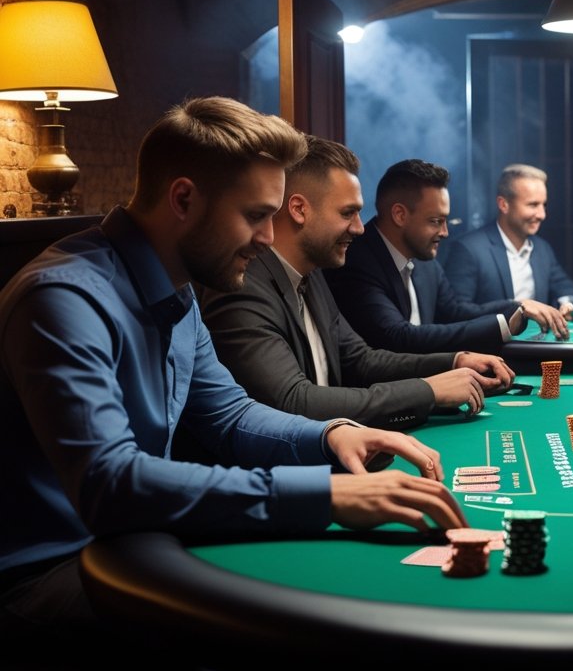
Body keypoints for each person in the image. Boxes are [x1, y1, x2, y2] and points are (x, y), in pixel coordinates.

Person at [0, 98, 465, 640]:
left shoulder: (178, 287)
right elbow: (112, 483)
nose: (269, 238)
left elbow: (229, 414)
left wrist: (333, 435)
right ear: (183, 199)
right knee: (303, 627)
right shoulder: (63, 298)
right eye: (255, 216)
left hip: (137, 540)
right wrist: (328, 496)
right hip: (45, 574)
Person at [200, 136, 513, 432]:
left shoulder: (313, 274)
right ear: (299, 209)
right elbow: (293, 400)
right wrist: (427, 391)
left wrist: (455, 361)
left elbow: (361, 360)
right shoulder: (242, 285)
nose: (360, 228)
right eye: (347, 213)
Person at [327, 159, 571, 355]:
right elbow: (399, 337)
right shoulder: (356, 259)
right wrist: (502, 325)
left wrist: (517, 307)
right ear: (400, 215)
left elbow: (454, 311)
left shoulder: (425, 261)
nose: (445, 232)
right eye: (436, 221)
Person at [445, 163, 573, 336]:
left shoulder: (542, 249)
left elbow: (570, 290)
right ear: (503, 205)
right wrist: (517, 307)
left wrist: (567, 305)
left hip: (537, 349)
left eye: (544, 205)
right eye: (533, 205)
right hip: (490, 352)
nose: (542, 214)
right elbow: (455, 312)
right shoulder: (468, 248)